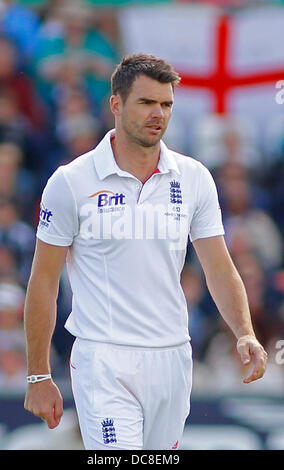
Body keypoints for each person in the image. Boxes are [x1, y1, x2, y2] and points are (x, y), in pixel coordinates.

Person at [23, 53, 267, 450]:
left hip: (171, 356)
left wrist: (245, 333)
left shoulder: (193, 178)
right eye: (147, 102)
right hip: (103, 358)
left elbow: (219, 267)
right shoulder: (71, 181)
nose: (159, 114)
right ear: (116, 104)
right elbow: (44, 280)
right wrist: (38, 375)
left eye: (166, 104)